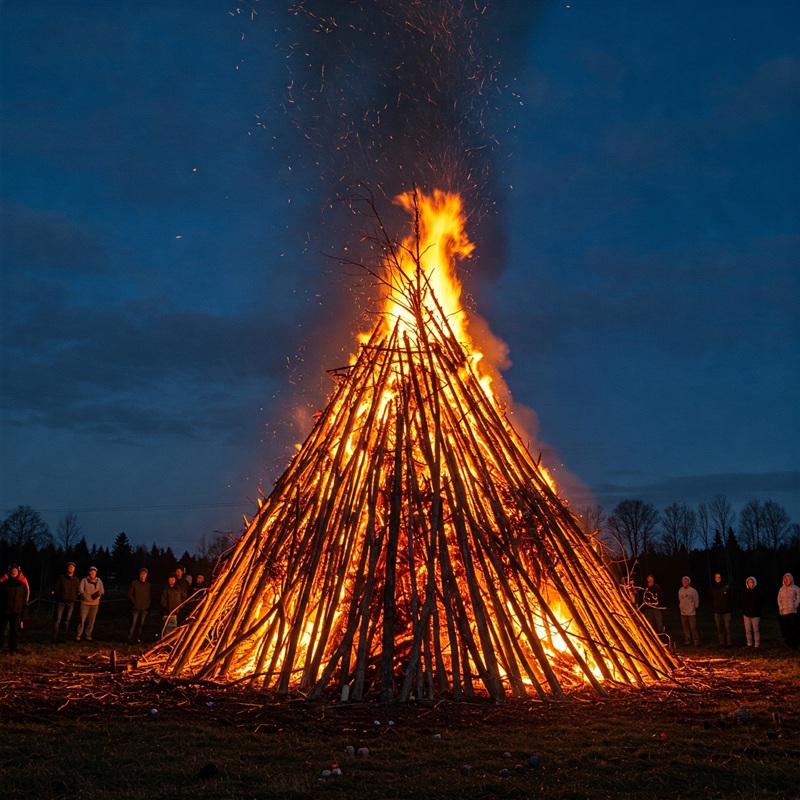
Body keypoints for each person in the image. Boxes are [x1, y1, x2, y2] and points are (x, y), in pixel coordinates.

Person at [0, 564, 27, 653]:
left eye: (15, 570)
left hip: (17, 610)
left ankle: (13, 647)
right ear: (10, 571)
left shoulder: (22, 583)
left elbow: (24, 596)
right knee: (2, 629)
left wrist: (23, 606)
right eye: (12, 570)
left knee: (14, 630)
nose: (14, 571)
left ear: (18, 572)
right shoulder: (5, 582)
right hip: (5, 610)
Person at [51, 561, 80, 642]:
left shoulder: (76, 579)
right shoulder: (61, 577)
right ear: (67, 568)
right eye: (69, 566)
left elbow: (78, 590)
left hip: (71, 603)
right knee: (57, 620)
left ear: (74, 569)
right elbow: (56, 588)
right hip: (61, 602)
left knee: (66, 621)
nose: (71, 568)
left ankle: (64, 638)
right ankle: (54, 638)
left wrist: (74, 598)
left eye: (72, 567)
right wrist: (58, 597)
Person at [76, 566, 104, 642]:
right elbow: (81, 591)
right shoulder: (84, 580)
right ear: (89, 572)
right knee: (82, 620)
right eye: (91, 571)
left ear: (96, 573)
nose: (92, 573)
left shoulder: (99, 581)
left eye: (94, 572)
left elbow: (102, 591)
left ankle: (88, 635)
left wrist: (97, 597)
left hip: (95, 604)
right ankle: (78, 635)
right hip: (85, 603)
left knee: (91, 621)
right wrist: (88, 597)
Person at [127, 567, 152, 643]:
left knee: (141, 625)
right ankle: (129, 638)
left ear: (147, 575)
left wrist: (147, 604)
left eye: (145, 573)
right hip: (135, 608)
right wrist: (134, 602)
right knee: (133, 624)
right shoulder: (134, 583)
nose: (143, 575)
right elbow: (129, 594)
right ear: (140, 575)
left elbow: (149, 596)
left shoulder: (148, 585)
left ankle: (138, 638)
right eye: (142, 573)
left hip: (144, 608)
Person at [777, 573, 800, 650]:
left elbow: (798, 598)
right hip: (784, 612)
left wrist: (795, 605)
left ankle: (795, 645)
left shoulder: (796, 588)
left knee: (794, 628)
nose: (787, 580)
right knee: (786, 629)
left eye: (788, 578)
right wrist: (780, 608)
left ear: (791, 579)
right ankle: (789, 643)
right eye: (785, 578)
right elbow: (779, 599)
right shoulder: (781, 589)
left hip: (793, 612)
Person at [709, 573, 733, 646]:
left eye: (719, 577)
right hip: (717, 611)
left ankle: (729, 642)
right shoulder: (713, 588)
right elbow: (710, 599)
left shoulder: (726, 587)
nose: (718, 578)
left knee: (727, 628)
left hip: (726, 611)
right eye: (716, 577)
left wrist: (730, 608)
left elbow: (731, 598)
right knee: (719, 628)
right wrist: (714, 607)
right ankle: (722, 642)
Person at [678, 576, 700, 646]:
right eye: (683, 581)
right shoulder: (680, 590)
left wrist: (695, 607)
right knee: (685, 627)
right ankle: (687, 640)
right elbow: (680, 599)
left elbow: (696, 600)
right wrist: (681, 606)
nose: (684, 582)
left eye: (685, 581)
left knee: (693, 627)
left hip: (691, 612)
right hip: (683, 612)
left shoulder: (693, 591)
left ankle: (696, 641)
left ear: (689, 582)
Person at [740, 576, 762, 648]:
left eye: (751, 582)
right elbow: (742, 602)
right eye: (748, 582)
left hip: (755, 614)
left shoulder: (758, 592)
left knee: (756, 630)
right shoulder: (745, 592)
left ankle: (757, 644)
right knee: (748, 630)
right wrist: (743, 611)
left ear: (754, 583)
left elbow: (761, 603)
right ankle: (749, 643)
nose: (750, 583)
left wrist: (758, 610)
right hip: (746, 614)